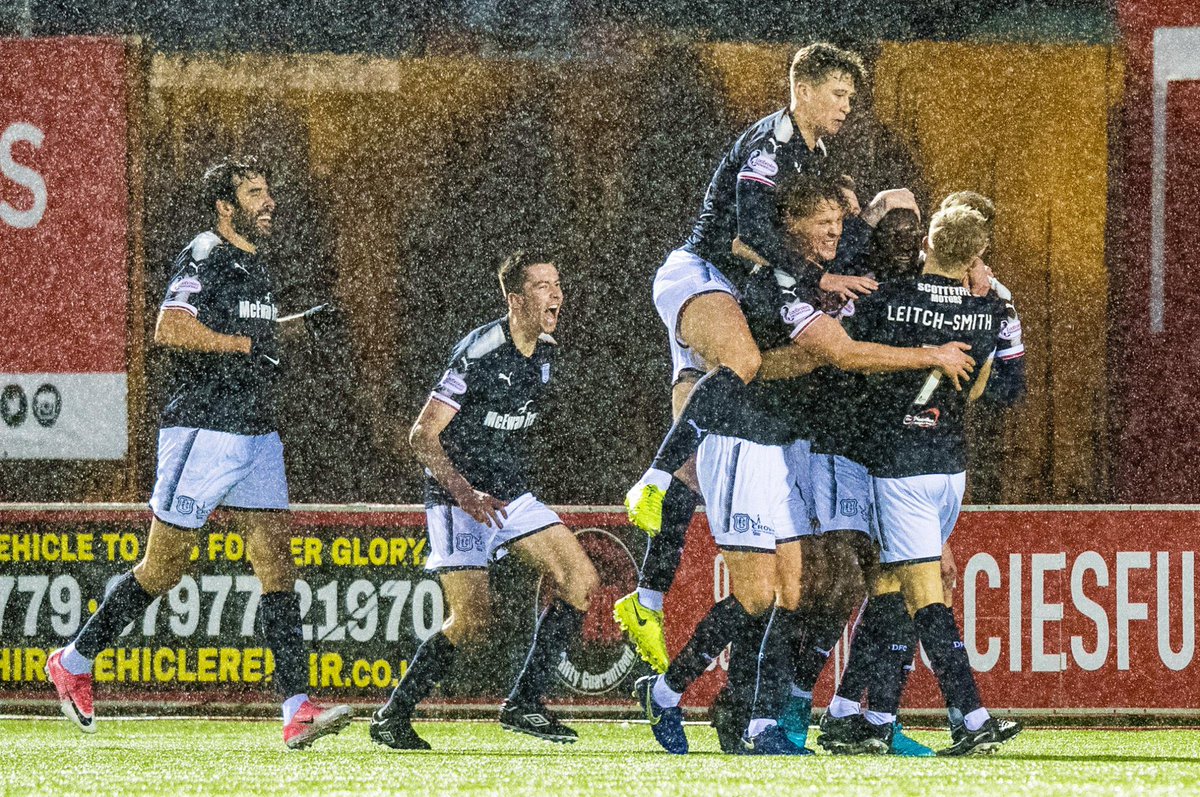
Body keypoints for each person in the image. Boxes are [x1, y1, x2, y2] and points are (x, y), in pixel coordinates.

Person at [633, 178, 976, 756]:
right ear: (790, 226)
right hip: (741, 441)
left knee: (791, 593)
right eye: (823, 224)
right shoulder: (771, 284)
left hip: (779, 443)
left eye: (839, 225)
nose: (835, 234)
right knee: (757, 597)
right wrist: (918, 354)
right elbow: (815, 357)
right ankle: (672, 694)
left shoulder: (821, 279)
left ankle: (759, 721)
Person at [615, 41, 917, 675]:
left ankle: (646, 599)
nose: (846, 106)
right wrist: (816, 278)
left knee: (700, 455)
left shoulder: (815, 155)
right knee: (747, 364)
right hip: (699, 274)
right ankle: (650, 479)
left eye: (851, 97)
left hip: (731, 292)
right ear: (802, 89)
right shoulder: (769, 144)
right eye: (838, 94)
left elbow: (816, 228)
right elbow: (746, 235)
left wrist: (864, 213)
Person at [44, 157, 350, 750]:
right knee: (163, 569)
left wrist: (302, 326)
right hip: (205, 429)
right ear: (225, 207)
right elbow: (171, 327)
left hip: (255, 430)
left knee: (276, 566)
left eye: (268, 192)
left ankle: (297, 710)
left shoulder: (255, 265)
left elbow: (256, 335)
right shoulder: (208, 252)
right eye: (254, 194)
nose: (268, 202)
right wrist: (242, 344)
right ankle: (74, 661)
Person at [370, 251, 600, 750]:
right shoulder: (480, 352)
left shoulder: (546, 355)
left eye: (557, 284)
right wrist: (464, 491)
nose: (556, 295)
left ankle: (524, 705)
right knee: (472, 622)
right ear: (515, 300)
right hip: (457, 497)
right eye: (542, 286)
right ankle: (393, 716)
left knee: (580, 581)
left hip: (508, 495)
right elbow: (422, 436)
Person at [817, 204, 1024, 756]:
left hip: (899, 465)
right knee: (891, 587)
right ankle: (859, 716)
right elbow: (981, 389)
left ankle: (972, 718)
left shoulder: (886, 299)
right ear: (976, 255)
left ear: (927, 245)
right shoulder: (989, 309)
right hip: (951, 466)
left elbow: (843, 358)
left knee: (923, 597)